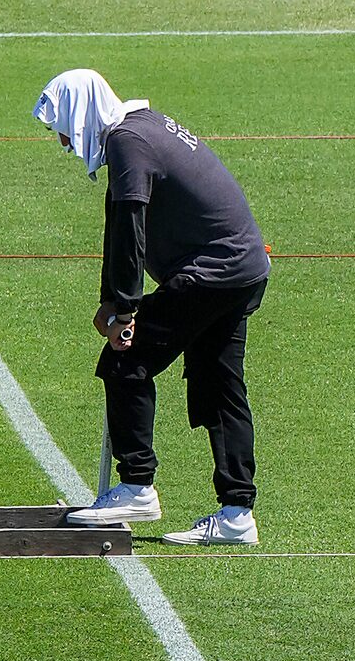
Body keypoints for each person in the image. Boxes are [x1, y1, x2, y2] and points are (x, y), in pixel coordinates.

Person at [39, 69, 272, 548]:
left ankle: (137, 485)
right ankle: (236, 514)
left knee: (126, 358)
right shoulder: (138, 130)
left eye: (61, 128)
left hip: (215, 271)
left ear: (79, 113)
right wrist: (113, 300)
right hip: (242, 268)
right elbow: (119, 225)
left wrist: (125, 315)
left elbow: (130, 231)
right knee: (217, 381)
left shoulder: (128, 142)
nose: (63, 142)